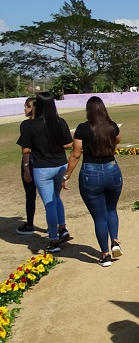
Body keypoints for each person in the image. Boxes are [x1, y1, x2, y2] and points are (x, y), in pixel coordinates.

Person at [62, 97, 123, 267]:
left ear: (88, 110)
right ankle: (116, 241)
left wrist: (66, 176)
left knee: (99, 217)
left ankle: (105, 255)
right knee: (111, 209)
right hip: (112, 170)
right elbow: (118, 139)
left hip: (91, 173)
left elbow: (75, 154)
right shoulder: (111, 125)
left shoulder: (82, 128)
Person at [17, 92, 74, 253]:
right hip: (60, 166)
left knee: (49, 203)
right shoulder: (60, 122)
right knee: (56, 198)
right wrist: (55, 144)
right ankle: (62, 228)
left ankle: (54, 240)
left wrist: (26, 168)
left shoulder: (29, 125)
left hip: (42, 168)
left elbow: (26, 149)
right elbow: (68, 144)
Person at [17, 97, 38, 234]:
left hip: (31, 162)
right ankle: (57, 226)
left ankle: (29, 225)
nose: (24, 109)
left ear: (30, 108)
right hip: (47, 162)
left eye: (26, 106)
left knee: (30, 195)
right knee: (51, 197)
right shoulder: (47, 123)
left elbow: (26, 150)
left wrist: (25, 168)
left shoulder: (26, 125)